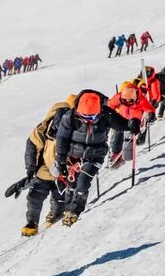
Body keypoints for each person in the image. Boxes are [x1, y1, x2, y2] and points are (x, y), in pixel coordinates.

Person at [51, 89, 127, 226]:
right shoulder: (70, 117)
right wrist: (61, 159)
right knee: (71, 184)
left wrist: (132, 124)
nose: (88, 120)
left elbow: (122, 124)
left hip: (95, 155)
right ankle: (67, 209)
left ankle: (75, 211)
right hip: (73, 156)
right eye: (84, 117)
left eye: (92, 117)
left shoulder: (106, 115)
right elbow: (62, 138)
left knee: (83, 183)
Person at [7, 94, 77, 236]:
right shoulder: (73, 123)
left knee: (36, 197)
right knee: (58, 196)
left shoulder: (45, 124)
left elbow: (32, 146)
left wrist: (31, 168)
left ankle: (33, 223)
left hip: (46, 168)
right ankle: (53, 216)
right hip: (58, 169)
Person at [106, 81, 155, 167]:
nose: (128, 102)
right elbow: (110, 105)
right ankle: (116, 155)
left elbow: (149, 108)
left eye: (130, 101)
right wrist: (110, 114)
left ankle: (127, 154)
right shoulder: (118, 97)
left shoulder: (141, 99)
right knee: (118, 134)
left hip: (134, 121)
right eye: (125, 100)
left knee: (129, 137)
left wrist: (151, 114)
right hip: (121, 119)